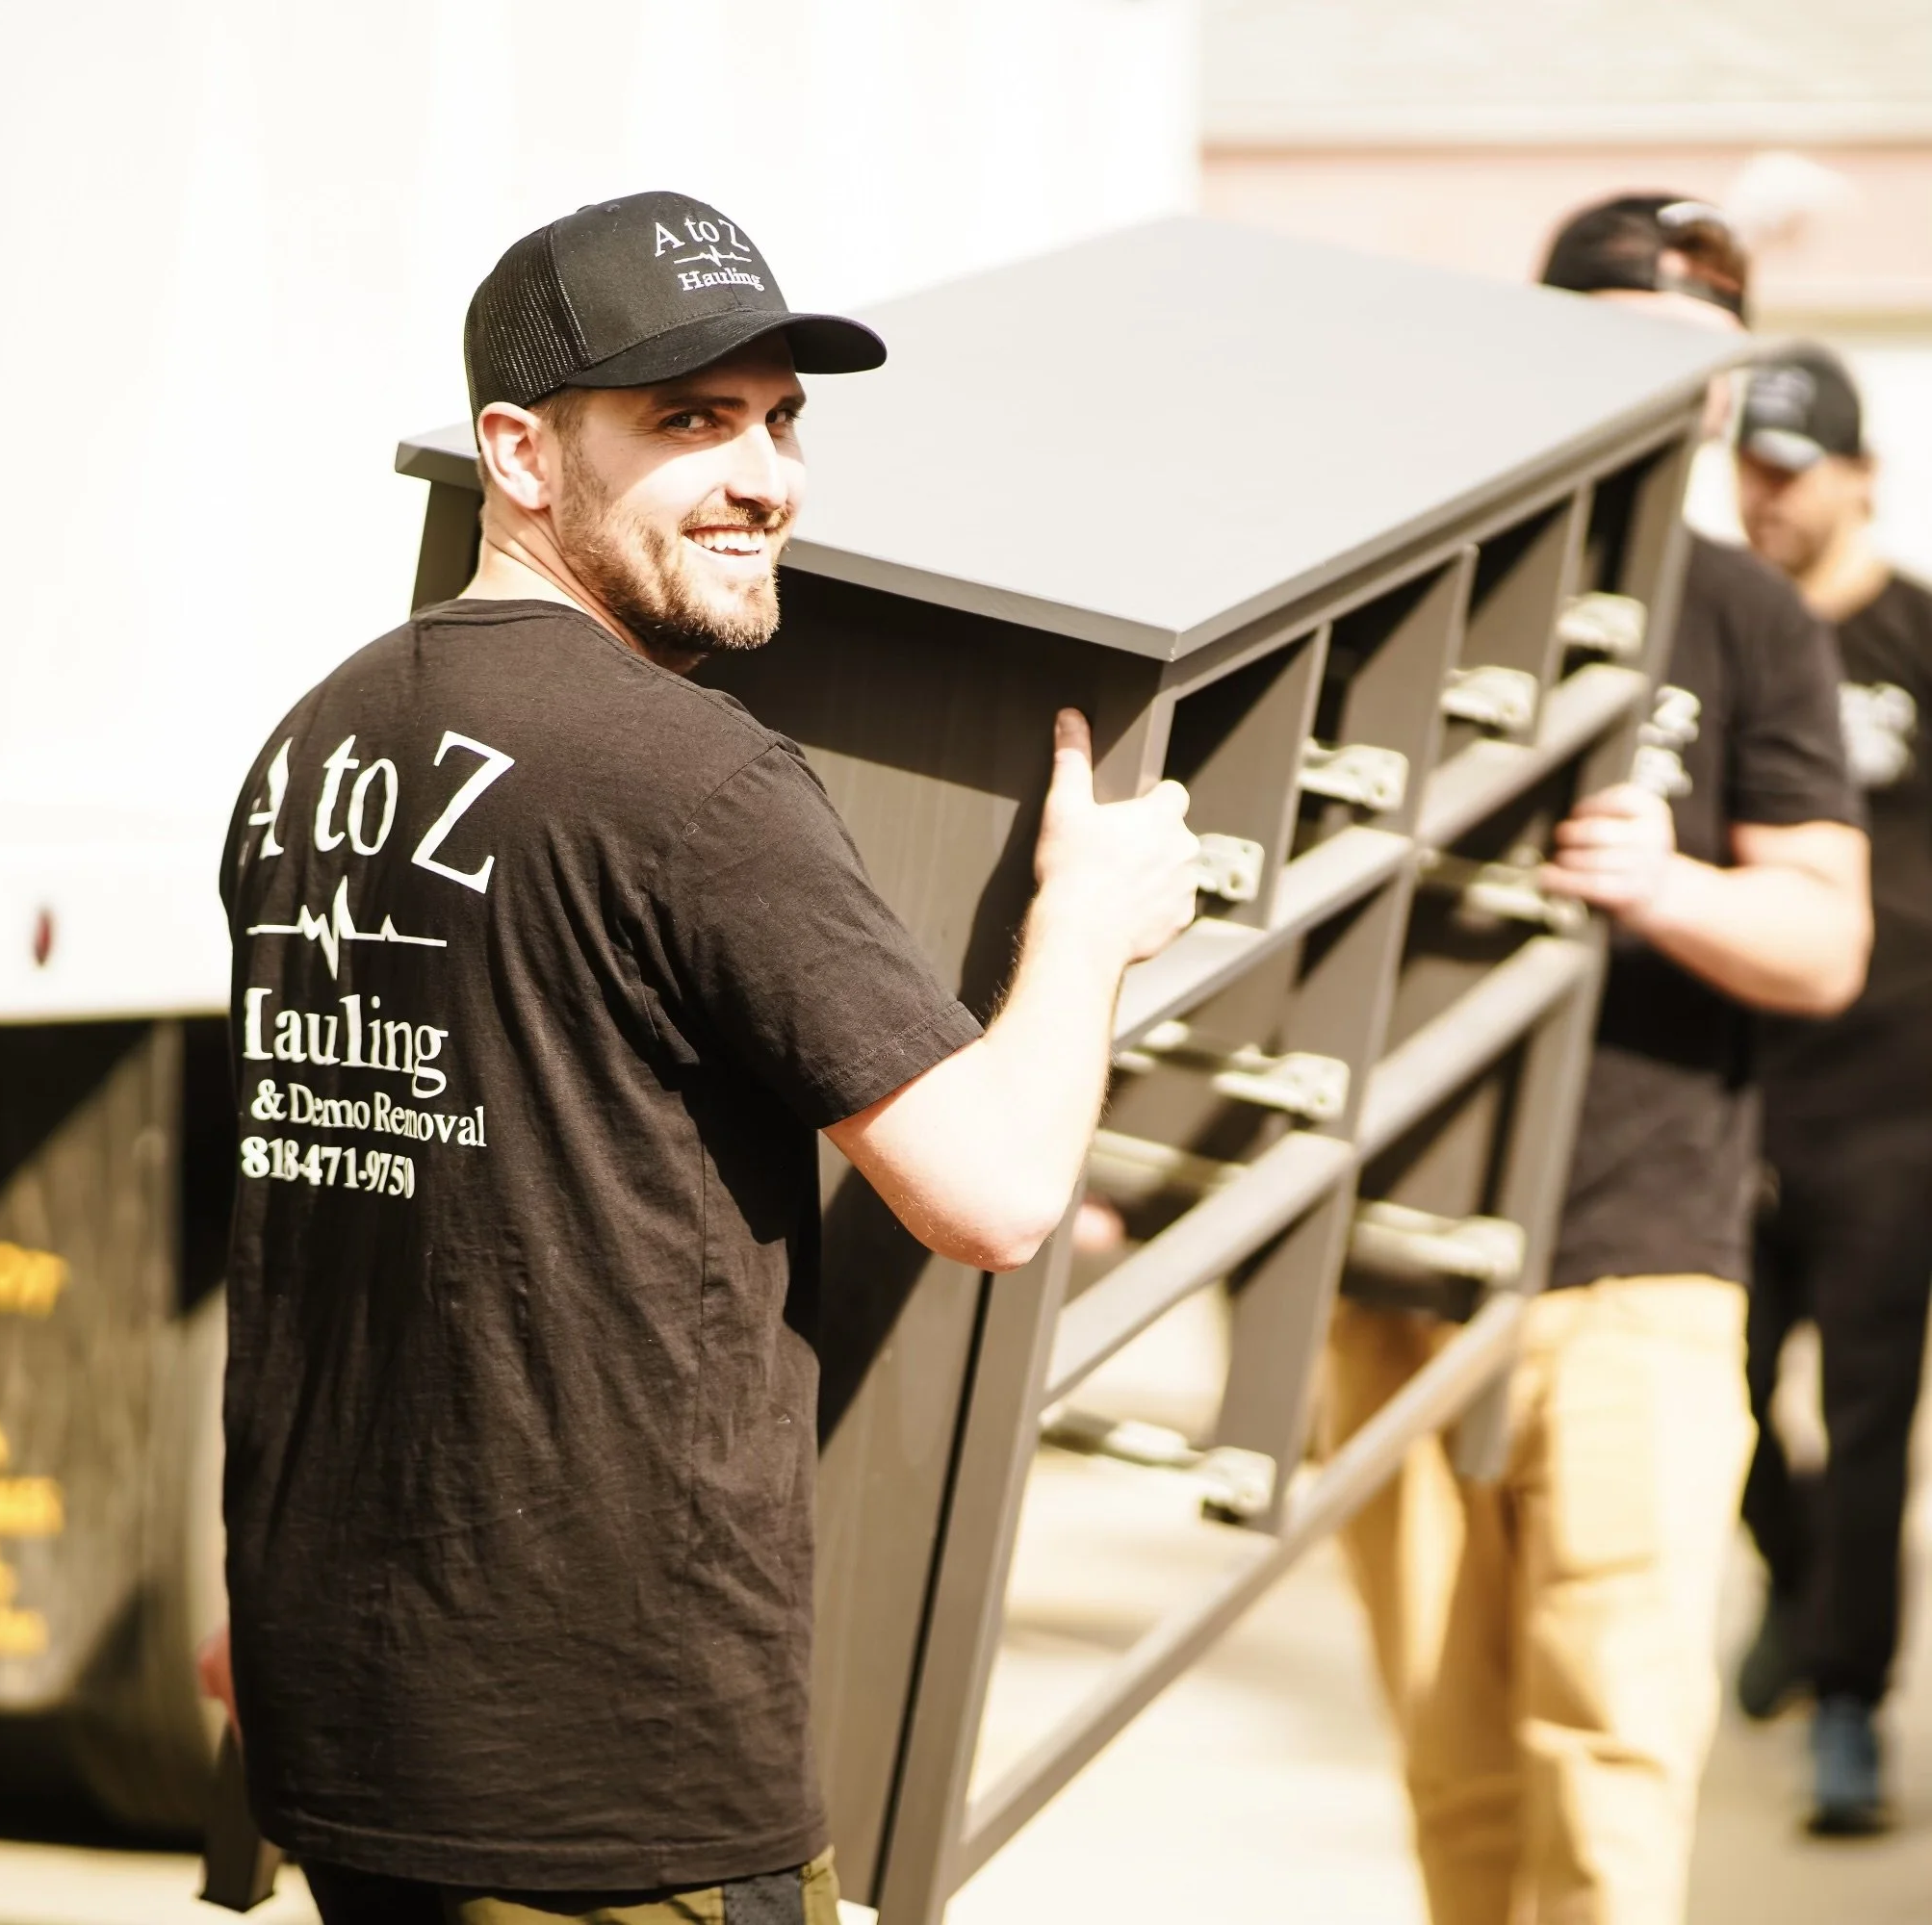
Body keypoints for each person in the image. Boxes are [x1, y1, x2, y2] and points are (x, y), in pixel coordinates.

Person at [207, 192, 1199, 1925]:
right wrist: (1091, 926)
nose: (766, 479)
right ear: (518, 451)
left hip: (358, 1735)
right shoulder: (694, 782)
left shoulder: (317, 741)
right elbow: (995, 1196)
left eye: (779, 418)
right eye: (688, 422)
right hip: (621, 1780)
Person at [1324, 196, 1871, 1925]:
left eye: (1708, 372)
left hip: (1643, 1270)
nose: (1679, 403)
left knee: (1615, 1753)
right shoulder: (1408, 575)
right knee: (1453, 1772)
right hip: (1396, 1267)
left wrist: (1669, 884)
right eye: (1633, 355)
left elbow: (1826, 941)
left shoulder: (1747, 619)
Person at [1732, 342, 1932, 1835]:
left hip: (1898, 1101)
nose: (1766, 497)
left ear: (1860, 477)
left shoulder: (1920, 638)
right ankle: (1798, 1584)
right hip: (1733, 1086)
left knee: (1870, 1415)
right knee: (1723, 1397)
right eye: (1749, 466)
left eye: (1793, 473)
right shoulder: (1729, 631)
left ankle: (1852, 1701)